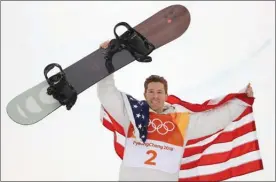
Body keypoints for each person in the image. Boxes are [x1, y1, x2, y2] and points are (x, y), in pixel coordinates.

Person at [97, 40, 254, 181]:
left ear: (166, 95)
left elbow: (214, 120)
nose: (155, 96)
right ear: (144, 94)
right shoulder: (131, 115)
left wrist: (241, 102)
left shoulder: (180, 121)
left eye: (159, 92)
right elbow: (107, 94)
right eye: (151, 92)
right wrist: (105, 57)